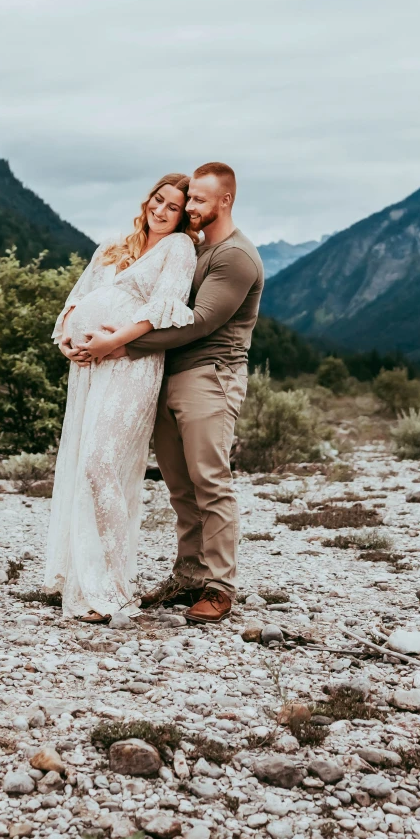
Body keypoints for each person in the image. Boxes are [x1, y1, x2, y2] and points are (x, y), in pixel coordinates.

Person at [74, 162, 263, 624]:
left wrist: (119, 346)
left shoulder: (235, 257)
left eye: (200, 199)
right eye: (190, 198)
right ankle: (189, 576)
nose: (192, 206)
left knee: (210, 481)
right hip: (167, 374)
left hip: (210, 376)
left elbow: (197, 323)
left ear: (226, 200)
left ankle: (220, 587)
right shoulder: (197, 249)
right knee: (180, 487)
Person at [47, 174, 198, 623]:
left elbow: (160, 313)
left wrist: (111, 344)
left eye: (173, 206)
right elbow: (75, 303)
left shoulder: (179, 249)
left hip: (131, 365)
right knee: (83, 464)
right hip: (89, 366)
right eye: (158, 199)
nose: (161, 210)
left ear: (183, 215)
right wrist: (69, 344)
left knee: (102, 463)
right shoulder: (113, 245)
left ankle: (113, 585)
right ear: (147, 199)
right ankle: (82, 582)